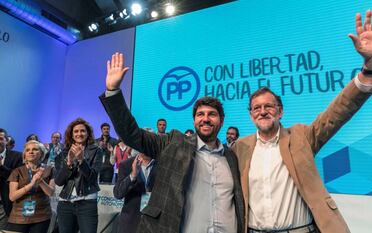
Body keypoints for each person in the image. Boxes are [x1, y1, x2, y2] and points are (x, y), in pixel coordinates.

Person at [231, 10, 372, 233]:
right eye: (257, 108)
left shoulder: (301, 136)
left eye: (269, 106)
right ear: (250, 115)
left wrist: (370, 69)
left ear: (280, 111)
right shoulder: (241, 148)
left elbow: (337, 113)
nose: (263, 111)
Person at [100, 53, 245, 233]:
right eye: (200, 114)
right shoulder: (174, 142)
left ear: (221, 121)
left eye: (212, 114)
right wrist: (113, 91)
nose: (205, 119)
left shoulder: (232, 157)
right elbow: (132, 135)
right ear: (194, 121)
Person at [54, 118, 103, 233]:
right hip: (65, 203)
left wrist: (81, 160)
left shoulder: (96, 150)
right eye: (76, 131)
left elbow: (92, 178)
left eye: (82, 131)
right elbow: (59, 181)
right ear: (71, 134)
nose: (79, 134)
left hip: (86, 202)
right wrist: (69, 163)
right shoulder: (64, 152)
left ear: (88, 133)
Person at [6, 140, 55, 233]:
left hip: (41, 215)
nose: (30, 152)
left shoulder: (49, 169)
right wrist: (31, 184)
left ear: (41, 153)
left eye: (35, 149)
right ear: (25, 154)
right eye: (27, 150)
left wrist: (40, 181)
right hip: (19, 216)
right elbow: (12, 197)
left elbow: (51, 193)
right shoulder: (17, 171)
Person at [113, 152, 156, 233]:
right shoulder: (126, 164)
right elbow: (118, 193)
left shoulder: (163, 165)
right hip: (130, 223)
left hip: (153, 224)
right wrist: (133, 175)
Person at [0, 128, 23, 229]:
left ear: (6, 140)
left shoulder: (17, 156)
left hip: (5, 204)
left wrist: (1, 166)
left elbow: (18, 177)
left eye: (0, 138)